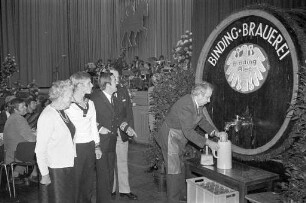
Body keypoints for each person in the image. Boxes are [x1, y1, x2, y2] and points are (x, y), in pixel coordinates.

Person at [154, 82, 227, 203]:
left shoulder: (198, 104)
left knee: (181, 167)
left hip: (179, 136)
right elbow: (188, 132)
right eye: (207, 97)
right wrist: (209, 143)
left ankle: (182, 195)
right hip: (170, 136)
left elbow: (202, 121)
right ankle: (173, 200)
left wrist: (215, 133)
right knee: (173, 170)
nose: (209, 100)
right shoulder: (186, 105)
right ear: (198, 95)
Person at [35, 80, 75, 203]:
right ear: (61, 97)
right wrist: (45, 174)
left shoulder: (61, 111)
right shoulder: (47, 116)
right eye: (69, 96)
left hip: (66, 164)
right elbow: (40, 150)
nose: (72, 99)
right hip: (55, 169)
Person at [65, 72, 102, 203]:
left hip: (89, 146)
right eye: (88, 83)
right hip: (74, 148)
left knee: (88, 181)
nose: (92, 85)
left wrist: (97, 146)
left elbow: (93, 126)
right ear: (79, 86)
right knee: (75, 181)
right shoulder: (67, 105)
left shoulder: (90, 103)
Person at [110, 68, 138, 200]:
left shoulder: (123, 90)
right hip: (108, 133)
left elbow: (128, 112)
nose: (115, 79)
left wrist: (129, 129)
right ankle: (111, 188)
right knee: (109, 162)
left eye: (116, 77)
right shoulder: (101, 93)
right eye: (112, 77)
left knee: (122, 160)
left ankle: (124, 189)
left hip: (122, 130)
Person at [91, 72, 118, 202]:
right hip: (100, 144)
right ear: (107, 84)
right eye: (114, 80)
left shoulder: (112, 97)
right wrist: (100, 128)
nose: (117, 82)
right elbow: (87, 119)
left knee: (109, 176)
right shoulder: (96, 99)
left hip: (111, 142)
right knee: (103, 177)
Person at [3, 97, 36, 180]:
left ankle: (16, 174)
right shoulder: (19, 119)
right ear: (15, 109)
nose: (25, 108)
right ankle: (35, 175)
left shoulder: (12, 118)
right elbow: (31, 139)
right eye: (22, 107)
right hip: (16, 154)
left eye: (25, 106)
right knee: (43, 150)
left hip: (9, 152)